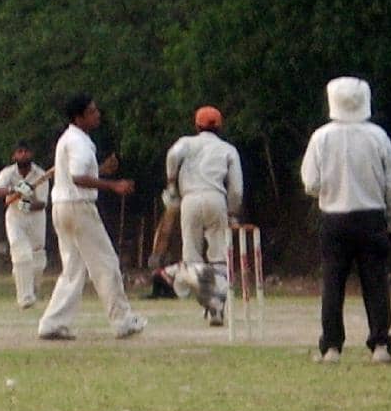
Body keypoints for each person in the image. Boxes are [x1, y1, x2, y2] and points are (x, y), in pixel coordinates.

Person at [301, 77, 391, 364]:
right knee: (376, 282)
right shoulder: (378, 136)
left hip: (334, 219)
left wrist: (330, 189)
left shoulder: (321, 137)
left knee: (333, 284)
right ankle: (380, 345)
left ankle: (332, 347)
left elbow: (310, 183)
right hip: (372, 217)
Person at [36, 94, 146, 342]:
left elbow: (77, 173)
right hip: (79, 207)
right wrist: (114, 185)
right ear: (79, 117)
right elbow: (78, 178)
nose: (98, 115)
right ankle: (122, 321)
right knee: (106, 262)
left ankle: (53, 323)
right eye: (92, 111)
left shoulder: (69, 138)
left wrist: (101, 170)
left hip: (62, 207)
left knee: (73, 269)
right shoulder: (80, 142)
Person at [163, 105, 244, 326]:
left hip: (190, 199)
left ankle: (179, 272)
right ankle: (216, 307)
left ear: (197, 126)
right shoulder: (228, 149)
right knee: (220, 258)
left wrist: (171, 182)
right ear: (220, 127)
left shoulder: (187, 143)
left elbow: (172, 155)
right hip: (216, 199)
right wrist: (232, 211)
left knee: (192, 257)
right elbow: (236, 189)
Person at [0, 141, 50, 308]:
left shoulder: (41, 174)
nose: (23, 155)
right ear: (14, 156)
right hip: (15, 218)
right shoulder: (8, 172)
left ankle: (32, 290)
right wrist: (14, 189)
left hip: (36, 219)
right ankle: (25, 298)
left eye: (26, 151)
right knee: (21, 255)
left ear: (31, 154)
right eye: (20, 152)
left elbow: (41, 204)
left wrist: (24, 203)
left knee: (37, 260)